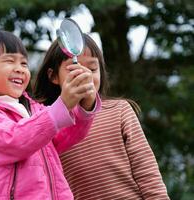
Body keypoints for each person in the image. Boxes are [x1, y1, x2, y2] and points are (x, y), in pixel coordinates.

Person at [0, 28, 101, 200]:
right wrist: (62, 105)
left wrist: (86, 106)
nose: (20, 69)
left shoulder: (34, 109)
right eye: (10, 61)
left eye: (24, 63)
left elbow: (64, 137)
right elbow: (16, 139)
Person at [33, 34, 169, 199]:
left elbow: (146, 171)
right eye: (74, 68)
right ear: (53, 76)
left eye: (92, 69)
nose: (85, 75)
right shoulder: (46, 123)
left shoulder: (119, 111)